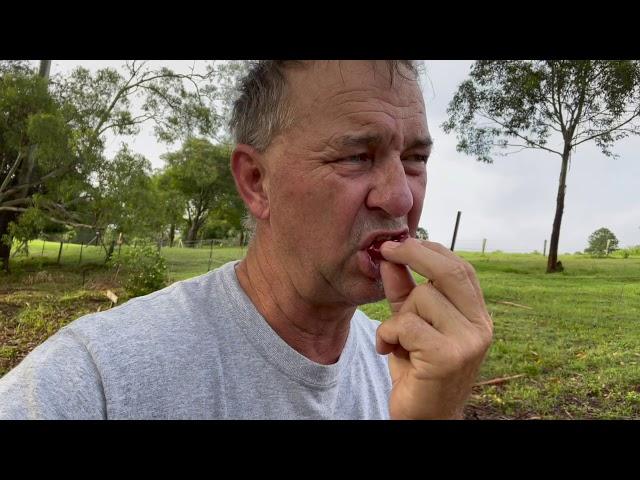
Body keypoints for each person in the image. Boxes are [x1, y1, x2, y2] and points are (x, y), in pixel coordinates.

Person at [0, 60, 492, 419]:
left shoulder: (406, 369)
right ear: (257, 181)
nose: (401, 197)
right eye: (357, 157)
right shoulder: (100, 379)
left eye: (415, 159)